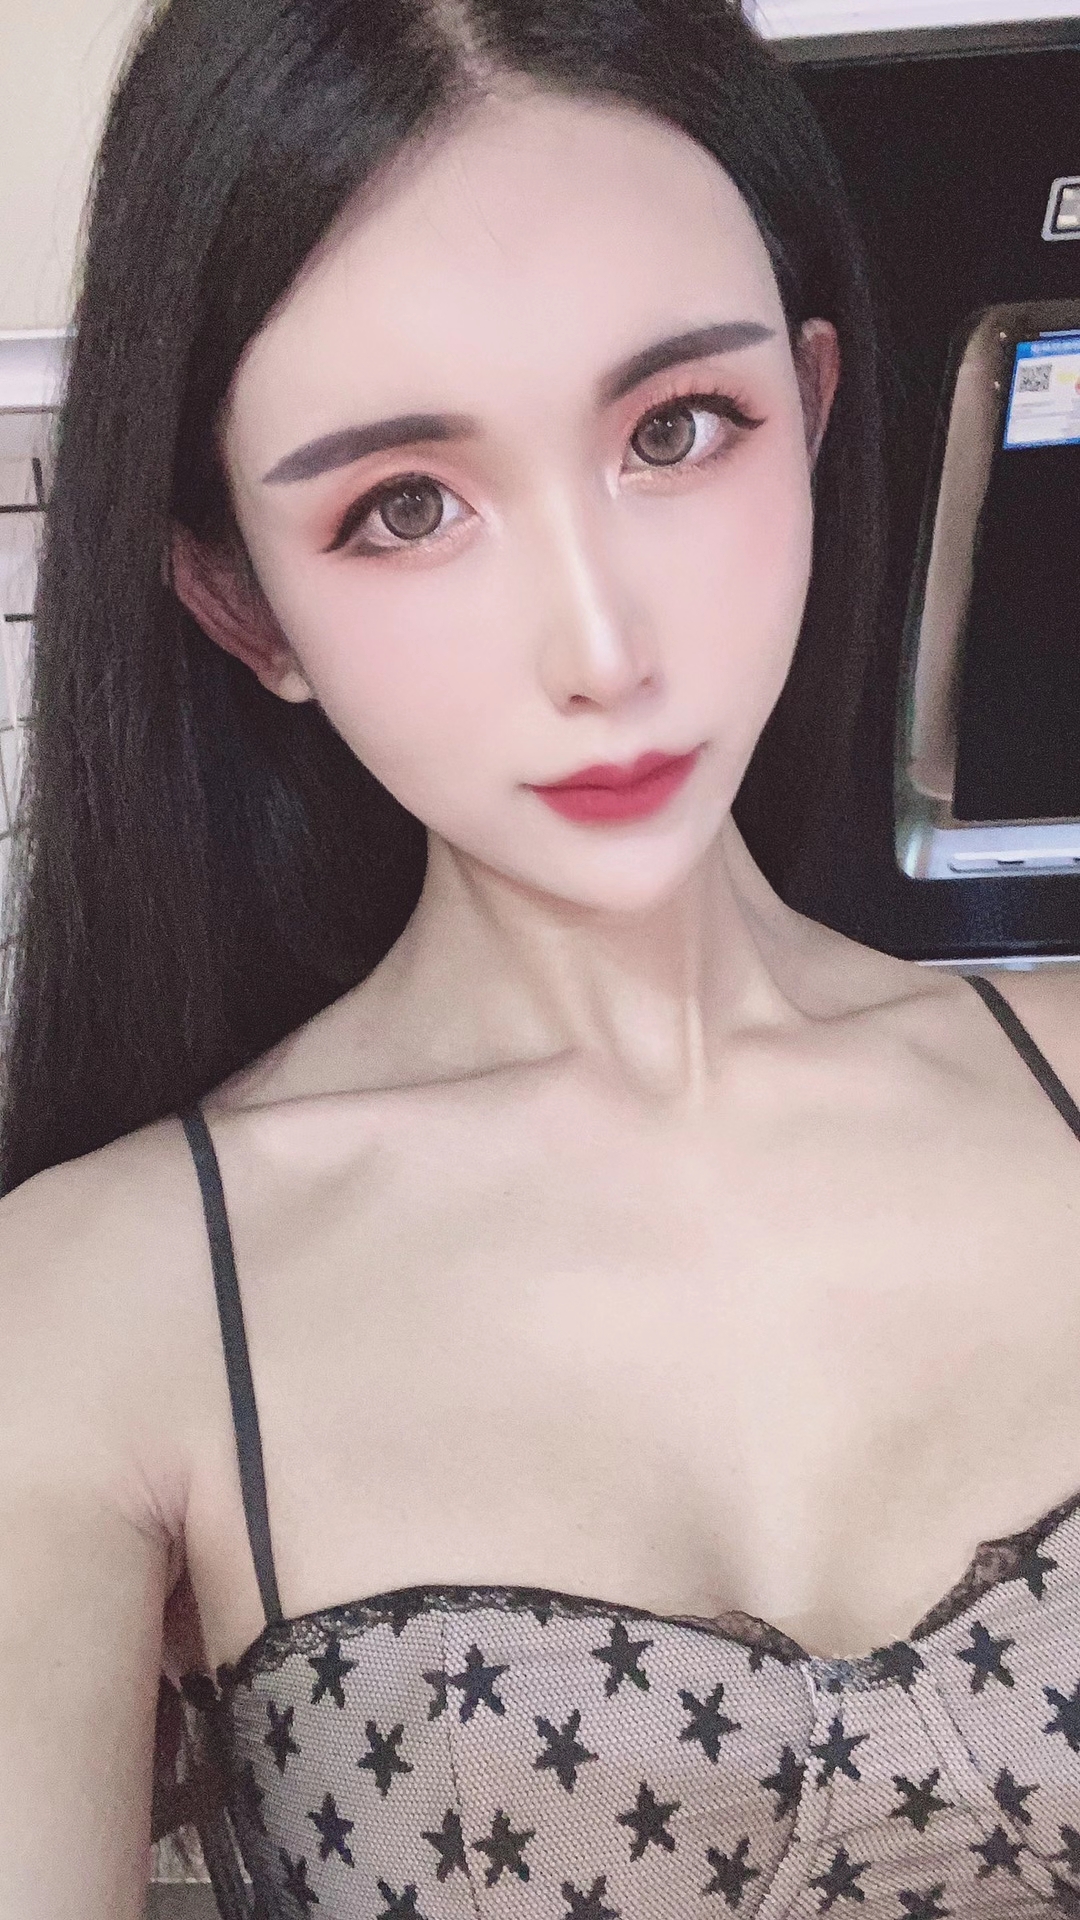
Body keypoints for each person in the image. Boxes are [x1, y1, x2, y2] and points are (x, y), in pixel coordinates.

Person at [2, 0, 1079, 1914]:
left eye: (678, 428)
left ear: (814, 410)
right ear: (243, 601)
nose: (601, 645)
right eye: (405, 509)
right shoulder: (97, 1309)